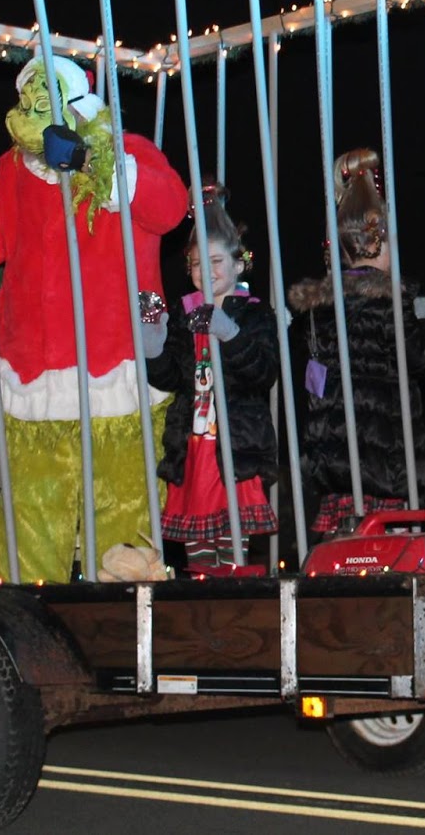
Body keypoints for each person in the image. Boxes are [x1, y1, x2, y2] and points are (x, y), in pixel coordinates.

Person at [0, 55, 188, 584]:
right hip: (32, 375)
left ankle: (121, 639)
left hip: (116, 373)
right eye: (28, 97)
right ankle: (25, 641)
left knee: (122, 525)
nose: (34, 106)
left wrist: (93, 160)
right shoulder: (8, 170)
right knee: (31, 526)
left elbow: (169, 207)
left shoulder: (125, 151)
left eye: (47, 94)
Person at [287, 149, 425, 538]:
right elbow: (421, 360)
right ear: (380, 243)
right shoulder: (391, 302)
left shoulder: (320, 307)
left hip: (338, 464)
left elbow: (314, 379)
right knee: (388, 562)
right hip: (387, 463)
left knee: (347, 560)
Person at [144, 186, 279, 572]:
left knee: (232, 553)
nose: (208, 270)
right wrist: (154, 348)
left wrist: (230, 334)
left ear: (239, 265)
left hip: (234, 450)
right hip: (194, 451)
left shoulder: (253, 314)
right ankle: (204, 613)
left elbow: (262, 373)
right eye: (198, 263)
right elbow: (172, 379)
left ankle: (235, 608)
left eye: (217, 260)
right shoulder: (184, 315)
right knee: (199, 558)